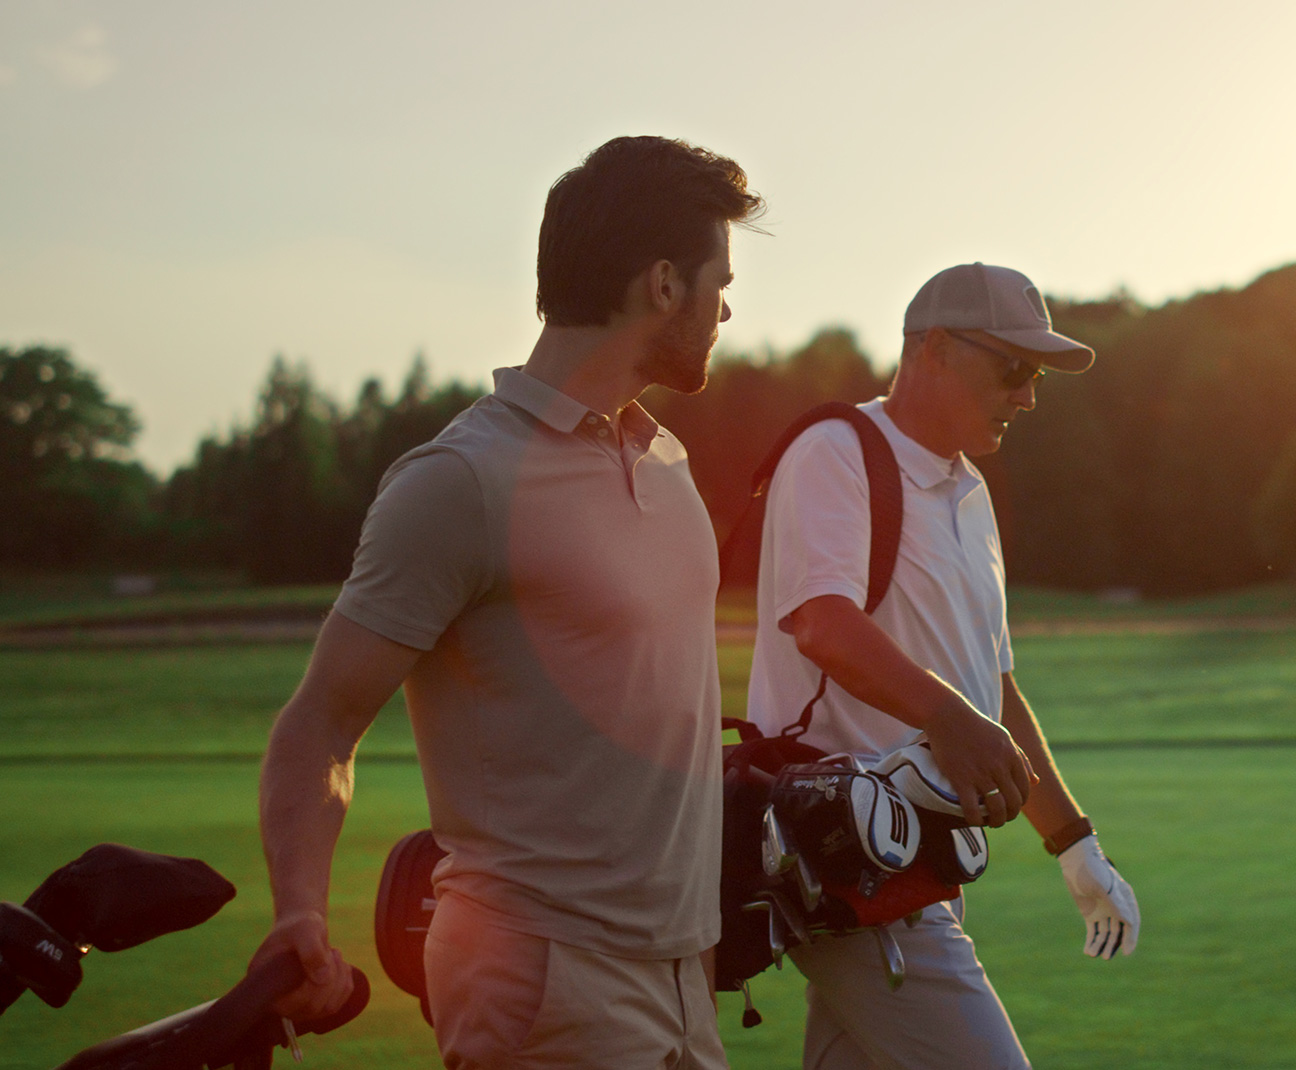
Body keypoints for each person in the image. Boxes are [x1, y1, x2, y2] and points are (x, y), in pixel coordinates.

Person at [251, 136, 764, 1069]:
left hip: (689, 974)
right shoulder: (460, 482)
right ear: (661, 284)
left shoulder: (669, 463)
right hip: (544, 980)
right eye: (718, 280)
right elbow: (322, 721)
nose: (728, 306)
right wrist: (300, 913)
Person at [746, 262, 1141, 1069]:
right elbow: (822, 623)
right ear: (932, 350)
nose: (1028, 395)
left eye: (1036, 376)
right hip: (843, 863)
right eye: (1014, 368)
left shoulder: (971, 491)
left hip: (919, 868)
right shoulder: (836, 452)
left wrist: (1072, 841)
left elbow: (992, 688)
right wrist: (948, 718)